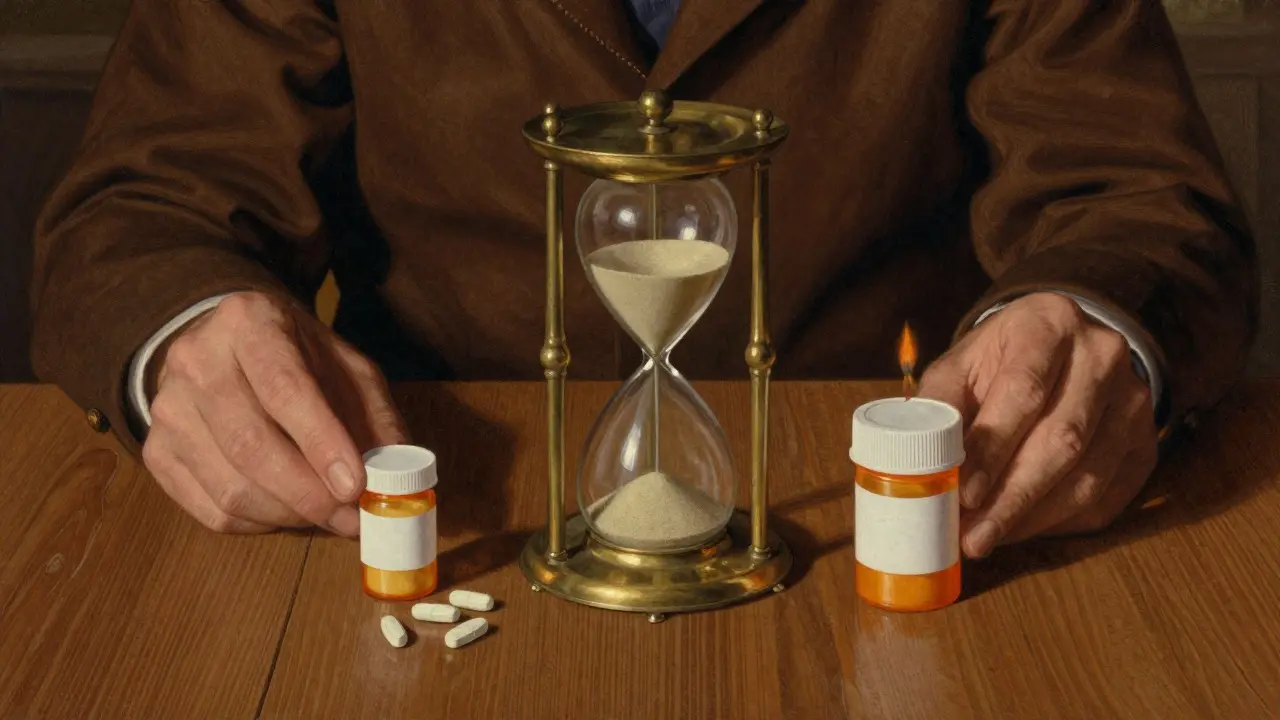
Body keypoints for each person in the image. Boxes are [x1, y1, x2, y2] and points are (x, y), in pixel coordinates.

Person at [30, 0, 1258, 560]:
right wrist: (184, 326)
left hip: (885, 512)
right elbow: (144, 208)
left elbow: (1142, 202)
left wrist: (1098, 322)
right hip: (458, 500)